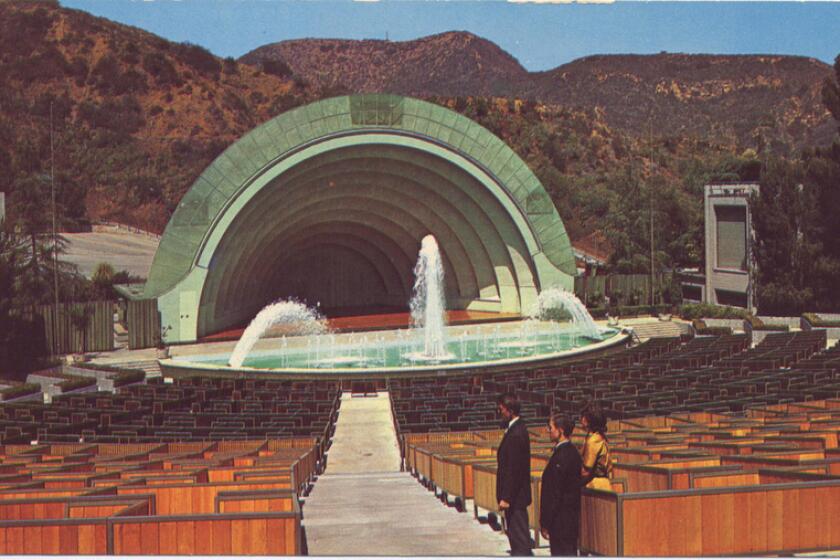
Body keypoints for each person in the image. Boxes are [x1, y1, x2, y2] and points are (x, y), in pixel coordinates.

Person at [540, 413, 582, 556]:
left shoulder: (563, 455)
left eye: (551, 427)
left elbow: (555, 493)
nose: (548, 430)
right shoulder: (569, 451)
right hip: (566, 519)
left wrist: (545, 522)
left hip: (561, 520)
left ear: (561, 430)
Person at [496, 393, 533, 556]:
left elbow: (514, 469)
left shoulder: (517, 433)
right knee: (516, 537)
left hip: (515, 497)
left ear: (510, 411)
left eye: (501, 410)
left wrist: (507, 497)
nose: (500, 414)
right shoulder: (515, 429)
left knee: (520, 540)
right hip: (515, 496)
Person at [580, 405, 613, 491]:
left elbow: (586, 470)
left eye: (583, 416)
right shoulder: (598, 436)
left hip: (595, 486)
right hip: (600, 483)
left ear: (587, 420)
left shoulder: (593, 440)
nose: (581, 419)